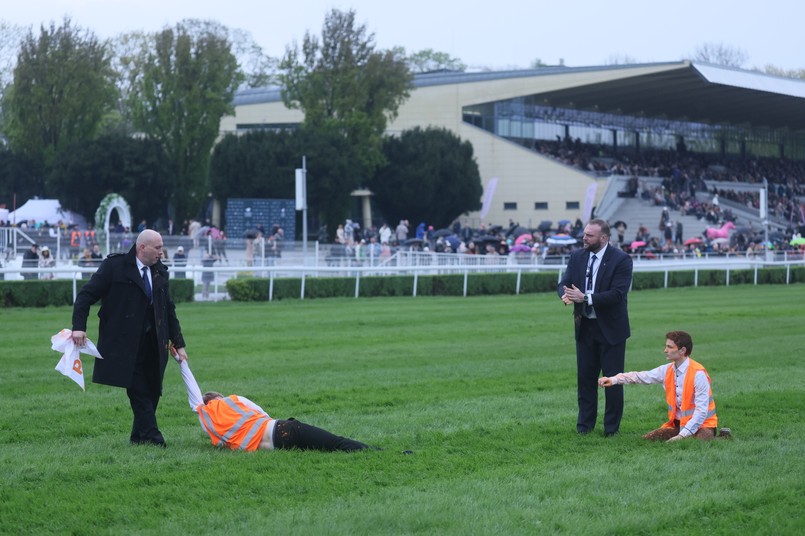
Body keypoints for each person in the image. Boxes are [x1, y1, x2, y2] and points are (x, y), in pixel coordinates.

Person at [70, 229, 188, 447]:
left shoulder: (160, 271)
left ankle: (138, 437)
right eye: (158, 248)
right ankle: (154, 438)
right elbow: (85, 296)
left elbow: (168, 309)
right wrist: (79, 327)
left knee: (153, 390)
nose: (162, 252)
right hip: (123, 345)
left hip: (155, 343)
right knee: (139, 391)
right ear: (141, 247)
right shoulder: (114, 267)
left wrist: (178, 343)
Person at [175, 356, 371, 452]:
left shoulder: (209, 423)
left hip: (278, 447)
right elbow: (264, 413)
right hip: (285, 429)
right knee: (335, 443)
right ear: (219, 397)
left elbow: (194, 399)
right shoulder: (234, 400)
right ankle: (379, 453)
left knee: (326, 450)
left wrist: (181, 365)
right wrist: (182, 360)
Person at [558, 218, 633, 437]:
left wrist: (586, 298)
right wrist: (565, 294)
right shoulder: (577, 256)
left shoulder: (621, 259)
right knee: (585, 380)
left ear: (603, 238)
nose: (584, 238)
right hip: (585, 328)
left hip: (612, 330)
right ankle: (584, 427)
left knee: (612, 381)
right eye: (584, 234)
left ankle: (611, 430)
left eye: (589, 235)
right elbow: (565, 282)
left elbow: (618, 294)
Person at [599, 331, 730, 442]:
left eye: (669, 347)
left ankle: (722, 437)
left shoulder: (698, 374)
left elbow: (701, 413)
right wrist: (613, 380)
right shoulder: (666, 370)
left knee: (696, 444)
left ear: (682, 350)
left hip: (703, 425)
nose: (665, 350)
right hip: (678, 425)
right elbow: (640, 376)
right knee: (647, 440)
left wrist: (682, 436)